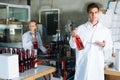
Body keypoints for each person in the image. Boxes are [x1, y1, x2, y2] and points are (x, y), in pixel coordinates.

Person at [69, 3, 113, 80]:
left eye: (96, 12)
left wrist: (104, 45)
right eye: (91, 12)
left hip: (96, 65)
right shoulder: (80, 29)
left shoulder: (105, 30)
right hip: (83, 64)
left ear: (98, 13)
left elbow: (110, 46)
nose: (94, 15)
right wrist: (73, 35)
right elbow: (74, 46)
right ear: (88, 14)